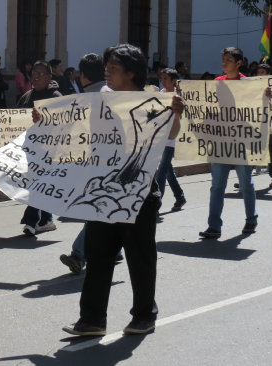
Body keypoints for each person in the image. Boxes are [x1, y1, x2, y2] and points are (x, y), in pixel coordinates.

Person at [62, 44, 184, 336]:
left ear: (131, 73)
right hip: (103, 194)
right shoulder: (100, 98)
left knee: (140, 258)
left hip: (139, 194)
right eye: (107, 67)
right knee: (98, 256)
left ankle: (144, 316)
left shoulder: (152, 101)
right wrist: (48, 123)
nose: (107, 72)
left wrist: (176, 115)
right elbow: (74, 127)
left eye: (114, 68)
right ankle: (92, 319)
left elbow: (169, 135)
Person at [59, 53, 123, 274]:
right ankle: (114, 250)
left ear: (83, 76)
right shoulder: (110, 93)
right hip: (112, 162)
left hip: (102, 165)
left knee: (97, 209)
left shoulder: (93, 98)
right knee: (103, 209)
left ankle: (79, 254)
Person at [199, 47, 257, 239]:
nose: (223, 63)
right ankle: (214, 225)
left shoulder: (248, 84)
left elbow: (257, 111)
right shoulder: (216, 83)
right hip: (220, 141)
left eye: (228, 59)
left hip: (241, 141)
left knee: (245, 183)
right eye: (223, 59)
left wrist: (266, 96)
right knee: (217, 185)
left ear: (239, 63)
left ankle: (251, 218)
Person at [17, 60, 62, 236]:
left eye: (41, 74)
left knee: (37, 183)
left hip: (48, 151)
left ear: (50, 77)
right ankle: (46, 219)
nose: (36, 77)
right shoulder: (26, 96)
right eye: (34, 73)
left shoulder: (56, 97)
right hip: (29, 149)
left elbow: (61, 124)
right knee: (37, 184)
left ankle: (30, 220)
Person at [156, 68, 186, 211]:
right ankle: (180, 196)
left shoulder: (178, 97)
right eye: (162, 79)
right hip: (159, 138)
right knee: (168, 171)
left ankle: (157, 203)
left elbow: (179, 117)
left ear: (174, 81)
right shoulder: (160, 95)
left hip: (170, 141)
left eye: (166, 79)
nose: (163, 82)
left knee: (161, 172)